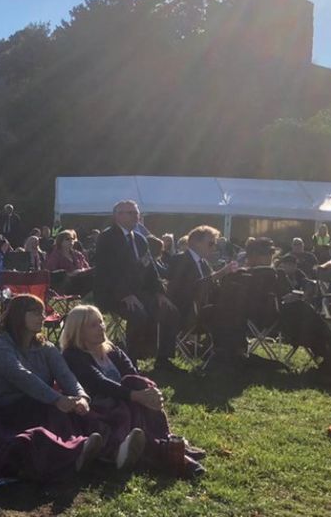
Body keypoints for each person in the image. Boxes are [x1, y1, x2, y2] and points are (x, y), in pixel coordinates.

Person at [61, 305, 205, 476]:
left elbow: (132, 374)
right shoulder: (72, 355)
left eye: (101, 322)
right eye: (93, 325)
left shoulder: (112, 350)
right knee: (129, 407)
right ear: (79, 331)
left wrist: (148, 393)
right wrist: (136, 396)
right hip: (98, 406)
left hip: (125, 400)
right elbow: (99, 383)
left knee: (136, 382)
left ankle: (161, 441)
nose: (101, 327)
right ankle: (166, 450)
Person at [0, 294, 108, 479]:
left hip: (42, 401)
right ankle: (77, 451)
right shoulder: (1, 347)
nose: (42, 317)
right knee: (52, 412)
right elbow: (24, 378)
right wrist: (56, 399)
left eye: (43, 313)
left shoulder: (46, 347)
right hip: (8, 409)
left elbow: (65, 375)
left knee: (79, 410)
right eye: (35, 313)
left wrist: (81, 397)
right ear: (19, 315)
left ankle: (105, 447)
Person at [93, 200, 179, 369]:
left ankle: (163, 360)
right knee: (139, 315)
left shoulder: (140, 239)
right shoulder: (107, 238)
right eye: (131, 213)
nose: (136, 216)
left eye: (137, 213)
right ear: (117, 216)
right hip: (113, 294)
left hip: (139, 293)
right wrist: (124, 294)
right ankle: (131, 362)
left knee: (170, 311)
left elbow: (150, 268)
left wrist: (159, 293)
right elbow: (107, 271)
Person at [167, 226, 238, 326]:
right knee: (224, 313)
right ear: (196, 243)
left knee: (236, 305)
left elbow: (212, 287)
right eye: (211, 244)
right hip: (186, 309)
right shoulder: (179, 260)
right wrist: (220, 273)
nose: (213, 248)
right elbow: (192, 288)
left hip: (203, 308)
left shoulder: (204, 263)